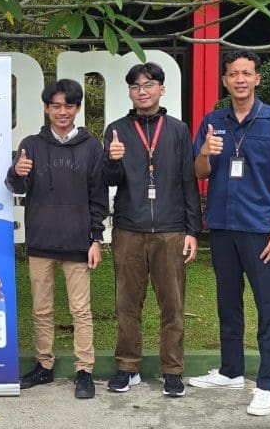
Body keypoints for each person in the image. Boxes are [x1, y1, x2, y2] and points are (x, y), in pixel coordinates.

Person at [188, 50, 270, 417]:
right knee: (228, 303)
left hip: (261, 230)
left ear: (257, 79)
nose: (240, 79)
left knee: (267, 308)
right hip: (223, 226)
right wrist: (205, 152)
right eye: (233, 74)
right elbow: (200, 172)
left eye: (247, 73)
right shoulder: (213, 121)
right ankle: (230, 371)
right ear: (224, 81)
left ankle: (267, 385)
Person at [102, 62, 201, 398]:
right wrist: (112, 159)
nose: (142, 91)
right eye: (135, 86)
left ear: (161, 89)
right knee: (127, 303)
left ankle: (172, 370)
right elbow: (110, 180)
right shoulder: (117, 130)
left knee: (172, 304)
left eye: (148, 85)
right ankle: (127, 368)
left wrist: (192, 230)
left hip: (171, 230)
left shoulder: (178, 130)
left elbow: (188, 179)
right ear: (129, 92)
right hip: (129, 229)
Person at [5, 79, 108, 399]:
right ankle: (44, 365)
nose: (62, 112)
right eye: (56, 106)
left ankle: (84, 370)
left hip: (78, 242)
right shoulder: (31, 145)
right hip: (41, 241)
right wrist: (16, 172)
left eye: (69, 106)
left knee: (81, 310)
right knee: (41, 309)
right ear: (46, 108)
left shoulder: (91, 148)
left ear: (77, 108)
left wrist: (96, 239)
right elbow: (17, 188)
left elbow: (98, 197)